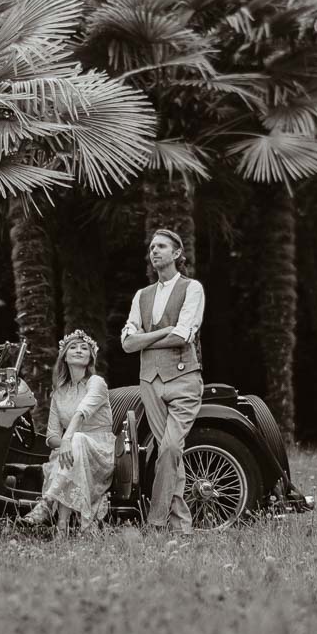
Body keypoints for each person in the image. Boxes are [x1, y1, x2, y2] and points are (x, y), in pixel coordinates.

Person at [121, 228, 205, 533]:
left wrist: (144, 338)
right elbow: (126, 344)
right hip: (150, 381)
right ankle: (181, 525)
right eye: (152, 247)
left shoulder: (192, 288)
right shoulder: (141, 296)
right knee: (169, 452)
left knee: (170, 448)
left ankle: (155, 522)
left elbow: (184, 334)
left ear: (176, 254)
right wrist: (161, 334)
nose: (154, 251)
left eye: (161, 246)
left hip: (183, 379)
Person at [23, 330, 114, 531]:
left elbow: (82, 413)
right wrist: (65, 444)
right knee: (74, 447)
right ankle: (61, 526)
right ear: (64, 356)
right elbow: (51, 437)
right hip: (71, 454)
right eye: (73, 347)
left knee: (78, 439)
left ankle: (47, 503)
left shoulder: (96, 383)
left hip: (100, 451)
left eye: (84, 348)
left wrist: (68, 440)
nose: (79, 350)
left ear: (91, 357)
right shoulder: (59, 393)